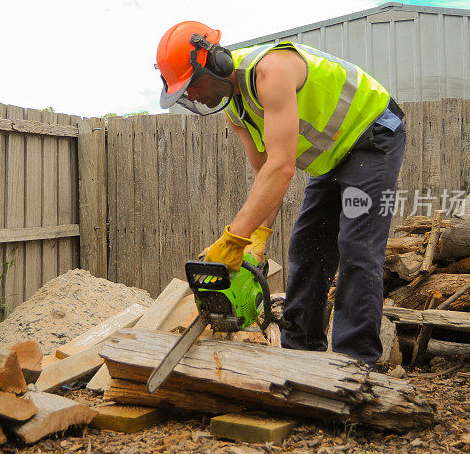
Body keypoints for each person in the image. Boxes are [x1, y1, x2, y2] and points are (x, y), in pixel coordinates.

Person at [155, 21, 406, 369]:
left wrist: (232, 239)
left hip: (371, 134)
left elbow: (282, 167)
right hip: (334, 155)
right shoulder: (236, 108)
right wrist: (256, 238)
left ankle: (356, 364)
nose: (194, 95)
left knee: (357, 246)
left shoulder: (271, 71)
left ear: (218, 63)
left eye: (193, 83)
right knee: (307, 245)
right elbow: (265, 174)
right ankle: (301, 352)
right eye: (186, 90)